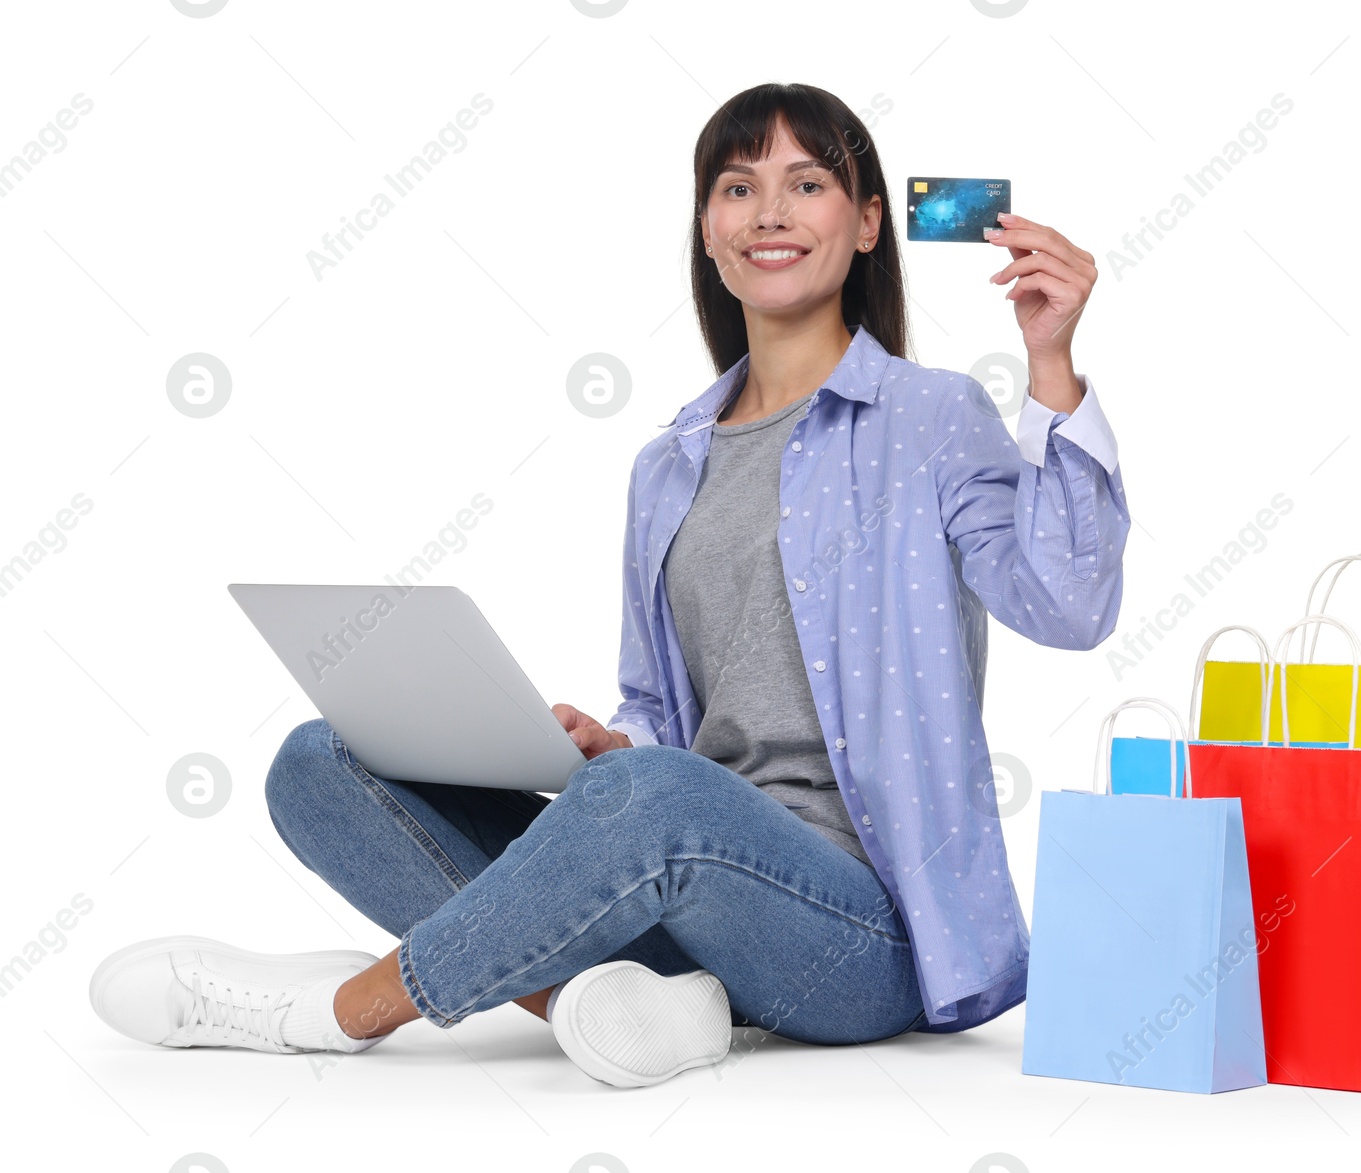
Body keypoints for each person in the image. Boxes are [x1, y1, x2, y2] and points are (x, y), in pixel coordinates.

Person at [88, 81, 1129, 1088]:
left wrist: (1049, 364)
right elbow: (664, 714)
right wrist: (608, 747)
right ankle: (623, 1009)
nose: (768, 210)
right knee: (319, 762)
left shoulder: (930, 416)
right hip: (679, 901)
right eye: (735, 187)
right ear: (709, 235)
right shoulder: (668, 461)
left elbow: (1070, 606)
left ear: (866, 224)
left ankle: (336, 1012)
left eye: (806, 183)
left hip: (861, 939)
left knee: (652, 796)